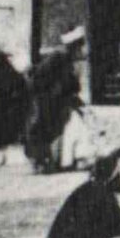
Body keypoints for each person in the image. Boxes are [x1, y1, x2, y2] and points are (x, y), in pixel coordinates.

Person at [23, 30, 85, 174]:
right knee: (42, 130)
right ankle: (39, 162)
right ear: (72, 46)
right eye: (79, 46)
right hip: (46, 100)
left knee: (56, 130)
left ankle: (53, 161)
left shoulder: (67, 60)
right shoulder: (57, 57)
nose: (81, 50)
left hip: (57, 101)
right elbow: (37, 78)